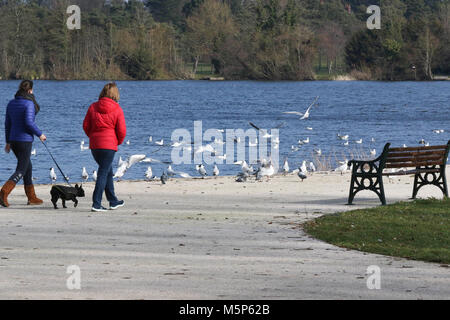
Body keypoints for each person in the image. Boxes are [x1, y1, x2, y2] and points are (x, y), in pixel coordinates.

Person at [1, 80, 47, 207]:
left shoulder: (11, 103)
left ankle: (31, 197)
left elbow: (7, 124)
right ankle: (4, 192)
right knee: (21, 169)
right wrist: (40, 134)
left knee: (28, 166)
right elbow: (28, 122)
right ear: (30, 90)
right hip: (24, 140)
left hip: (14, 140)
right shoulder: (29, 104)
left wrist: (8, 141)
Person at [83, 83, 126, 212]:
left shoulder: (93, 107)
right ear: (115, 94)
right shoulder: (117, 108)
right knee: (103, 172)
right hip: (109, 145)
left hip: (95, 145)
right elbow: (122, 130)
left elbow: (85, 125)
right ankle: (96, 203)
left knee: (107, 171)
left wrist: (92, 136)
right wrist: (117, 142)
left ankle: (113, 201)